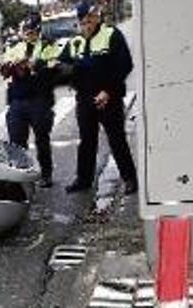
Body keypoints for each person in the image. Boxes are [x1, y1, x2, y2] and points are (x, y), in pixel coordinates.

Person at [58, 1, 138, 195]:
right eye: (84, 20)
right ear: (79, 21)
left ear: (97, 18)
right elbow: (62, 65)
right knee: (87, 141)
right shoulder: (75, 42)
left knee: (117, 139)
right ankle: (83, 180)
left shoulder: (111, 34)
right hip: (84, 99)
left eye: (92, 18)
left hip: (108, 98)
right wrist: (62, 72)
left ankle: (129, 178)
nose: (88, 23)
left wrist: (108, 91)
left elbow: (125, 65)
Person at [0, 13, 61, 188]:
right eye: (24, 31)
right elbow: (5, 68)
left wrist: (34, 64)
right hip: (17, 99)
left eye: (31, 31)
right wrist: (10, 67)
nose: (27, 34)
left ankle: (46, 174)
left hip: (39, 99)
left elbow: (54, 67)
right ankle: (21, 176)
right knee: (16, 140)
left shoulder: (48, 44)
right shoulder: (14, 46)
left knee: (42, 138)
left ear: (38, 30)